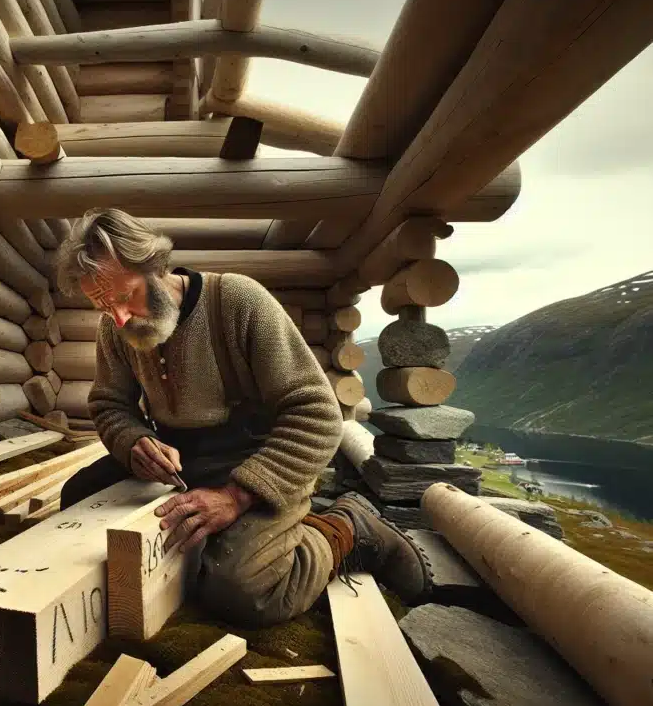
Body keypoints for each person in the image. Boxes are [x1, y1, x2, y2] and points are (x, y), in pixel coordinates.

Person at [53, 208, 432, 627]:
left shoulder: (237, 301)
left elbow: (318, 414)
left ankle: (346, 529)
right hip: (178, 463)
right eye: (104, 306)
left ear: (155, 267)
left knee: (243, 590)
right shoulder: (116, 328)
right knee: (76, 500)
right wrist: (132, 441)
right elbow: (110, 405)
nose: (119, 318)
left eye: (125, 298)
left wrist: (236, 496)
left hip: (255, 462)